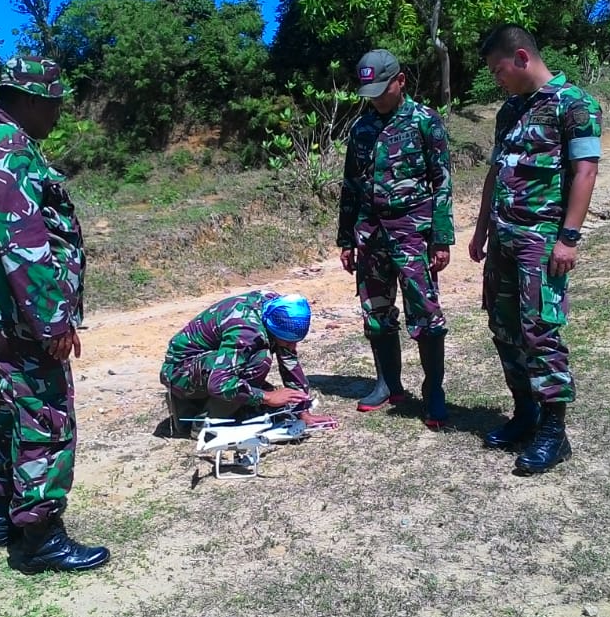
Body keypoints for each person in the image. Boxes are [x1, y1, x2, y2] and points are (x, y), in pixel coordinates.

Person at [0, 56, 110, 573]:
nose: (58, 115)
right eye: (53, 105)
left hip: (1, 305)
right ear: (28, 100)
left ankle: (1, 509)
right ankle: (41, 535)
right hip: (24, 311)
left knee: (12, 408)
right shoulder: (11, 149)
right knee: (44, 415)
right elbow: (24, 244)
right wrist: (53, 322)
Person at [470, 24, 602, 474]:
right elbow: (494, 173)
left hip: (541, 240)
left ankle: (553, 431)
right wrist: (480, 230)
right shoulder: (509, 111)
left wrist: (568, 237)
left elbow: (585, 172)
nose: (496, 78)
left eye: (498, 69)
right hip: (504, 238)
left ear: (522, 57)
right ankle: (523, 412)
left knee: (540, 330)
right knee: (504, 327)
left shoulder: (574, 104)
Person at [338, 48, 455, 429]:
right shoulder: (361, 128)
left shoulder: (425, 122)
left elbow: (442, 182)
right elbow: (351, 186)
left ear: (400, 81)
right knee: (376, 311)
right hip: (370, 233)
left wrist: (441, 238)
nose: (374, 97)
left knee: (424, 312)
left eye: (381, 88)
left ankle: (433, 390)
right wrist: (346, 238)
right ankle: (388, 383)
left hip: (412, 231)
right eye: (368, 90)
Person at [161, 291, 337, 437]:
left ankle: (213, 409)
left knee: (262, 393)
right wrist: (267, 397)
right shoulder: (246, 331)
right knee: (259, 361)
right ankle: (206, 422)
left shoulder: (276, 309)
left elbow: (289, 361)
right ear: (272, 328)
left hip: (206, 366)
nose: (292, 347)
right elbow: (219, 383)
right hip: (179, 372)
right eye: (288, 341)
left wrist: (302, 412)